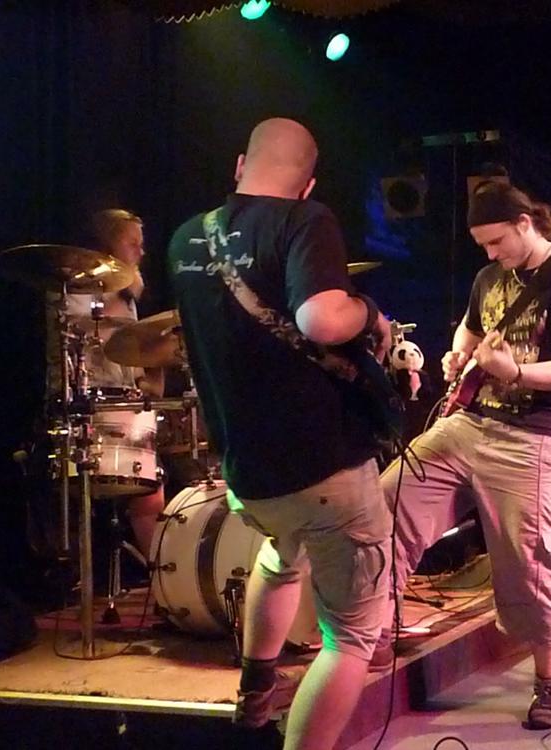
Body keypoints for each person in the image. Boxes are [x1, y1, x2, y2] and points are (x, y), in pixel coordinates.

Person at [168, 117, 392, 749]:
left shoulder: (186, 236)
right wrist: (370, 312)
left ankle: (255, 693)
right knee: (351, 639)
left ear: (241, 164)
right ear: (309, 183)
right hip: (324, 466)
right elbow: (322, 319)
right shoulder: (305, 220)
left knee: (281, 552)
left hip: (248, 473)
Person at [379, 180, 551, 729]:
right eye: (482, 245)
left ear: (526, 224)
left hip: (534, 437)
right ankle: (374, 629)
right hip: (470, 424)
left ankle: (548, 685)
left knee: (528, 562)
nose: (490, 253)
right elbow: (468, 330)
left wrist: (514, 371)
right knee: (386, 500)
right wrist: (458, 357)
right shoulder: (488, 278)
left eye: (497, 242)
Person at [61, 209, 164, 559]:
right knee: (87, 495)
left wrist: (149, 379)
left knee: (149, 492)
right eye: (133, 244)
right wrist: (118, 294)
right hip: (88, 407)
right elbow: (87, 335)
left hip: (125, 404)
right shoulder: (73, 289)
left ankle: (159, 573)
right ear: (107, 249)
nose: (141, 252)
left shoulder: (128, 296)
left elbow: (131, 353)